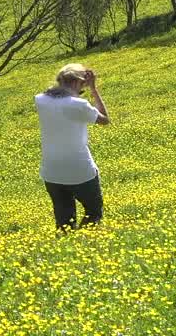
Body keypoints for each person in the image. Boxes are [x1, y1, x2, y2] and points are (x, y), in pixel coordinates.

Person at [35, 63, 111, 230]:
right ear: (78, 82)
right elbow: (105, 119)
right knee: (93, 212)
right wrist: (93, 89)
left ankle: (68, 248)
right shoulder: (78, 105)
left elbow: (53, 94)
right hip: (80, 170)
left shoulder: (40, 100)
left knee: (64, 222)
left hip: (52, 171)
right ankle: (86, 246)